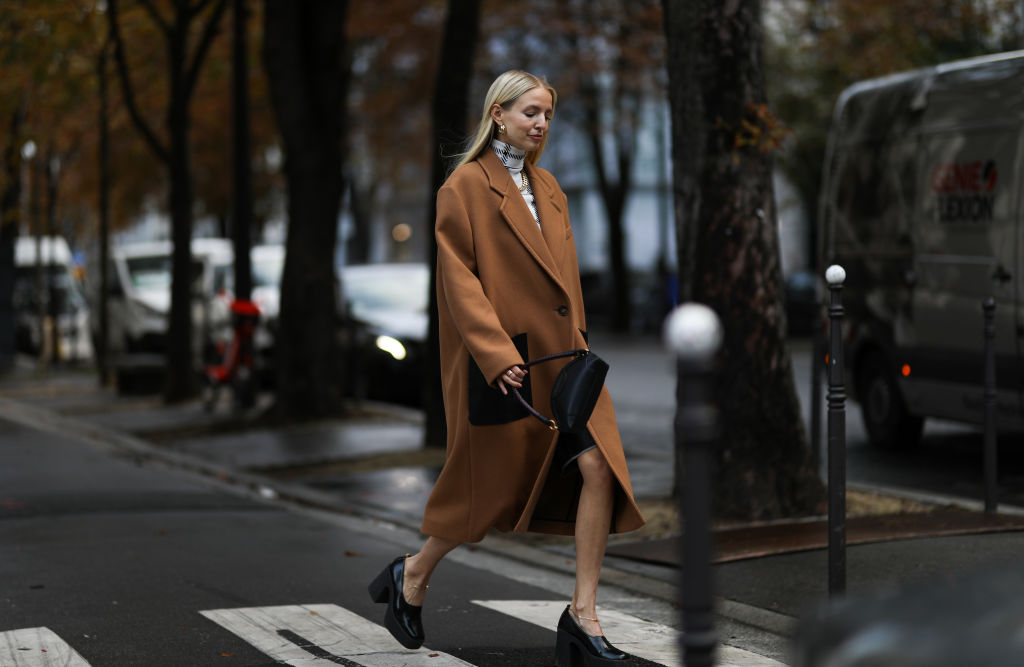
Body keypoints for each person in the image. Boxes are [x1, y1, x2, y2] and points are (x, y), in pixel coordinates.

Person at [368, 69, 645, 666]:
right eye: (530, 112)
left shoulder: (550, 187)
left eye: (547, 114)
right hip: (508, 365)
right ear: (498, 114)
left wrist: (581, 342)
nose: (541, 124)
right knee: (488, 493)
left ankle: (583, 615)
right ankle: (412, 574)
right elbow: (459, 281)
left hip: (565, 362)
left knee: (599, 471)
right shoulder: (464, 187)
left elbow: (566, 279)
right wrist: (495, 355)